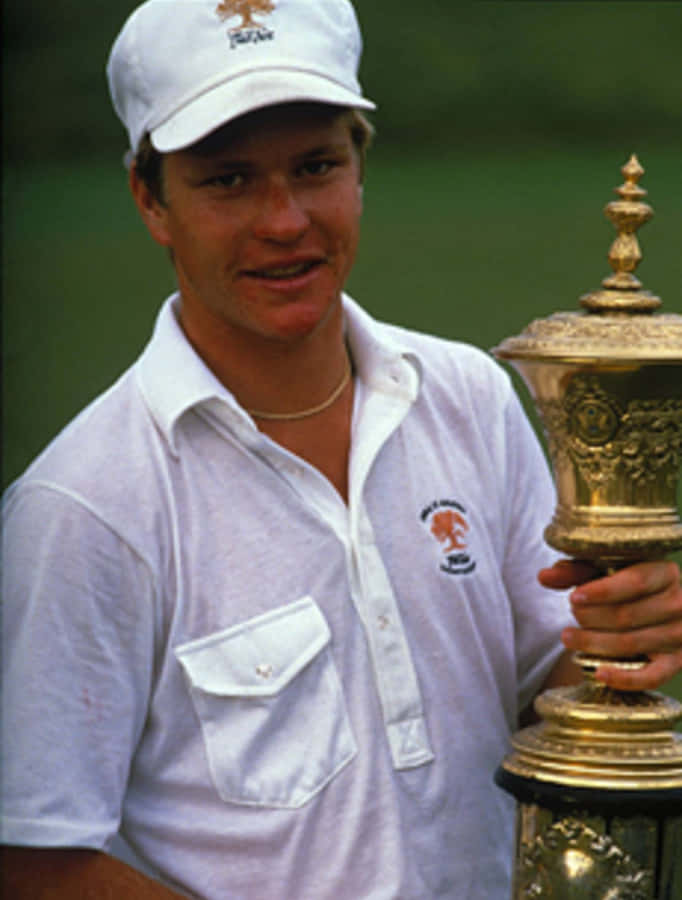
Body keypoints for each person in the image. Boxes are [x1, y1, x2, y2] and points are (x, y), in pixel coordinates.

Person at [2, 1, 681, 897]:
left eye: (316, 165)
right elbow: (34, 857)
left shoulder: (468, 397)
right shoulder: (85, 504)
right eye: (228, 180)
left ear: (362, 163)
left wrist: (623, 632)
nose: (285, 221)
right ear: (149, 198)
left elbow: (537, 703)